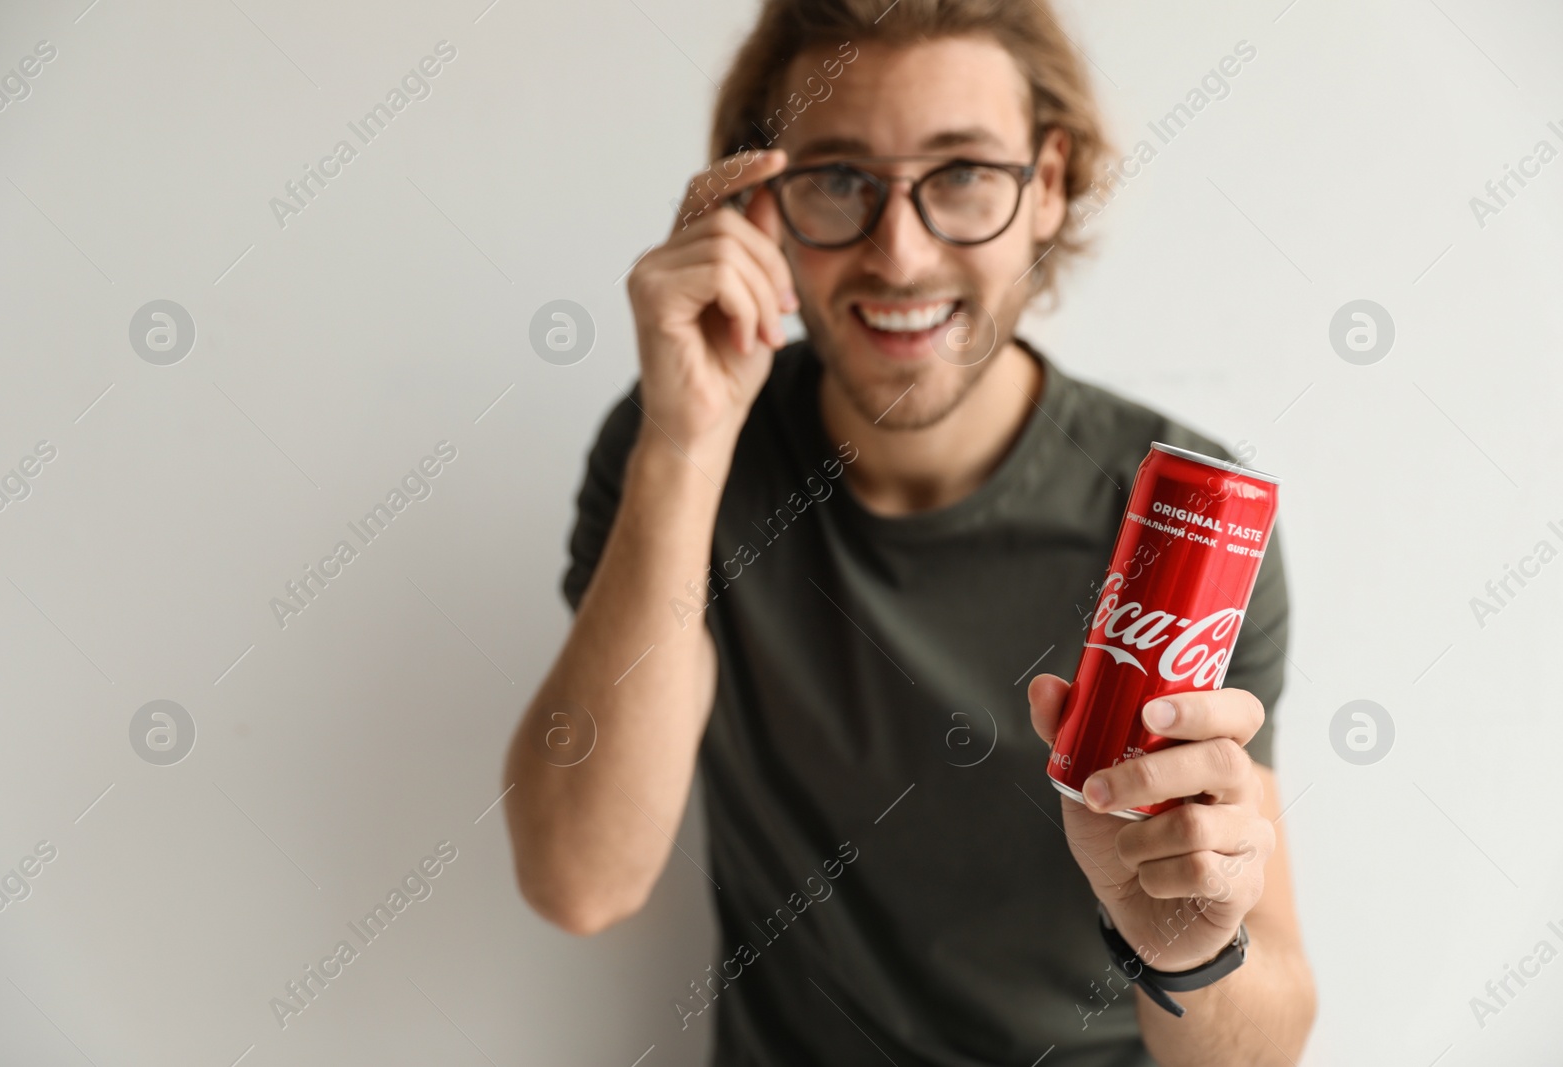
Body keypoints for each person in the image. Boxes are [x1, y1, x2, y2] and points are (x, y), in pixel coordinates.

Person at [503, 1, 1316, 1062]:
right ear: (761, 204)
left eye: (963, 173)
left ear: (1050, 183)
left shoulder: (1182, 516)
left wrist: (1186, 948)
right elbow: (579, 880)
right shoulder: (683, 448)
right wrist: (685, 442)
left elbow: (1260, 1045)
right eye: (839, 178)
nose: (899, 251)